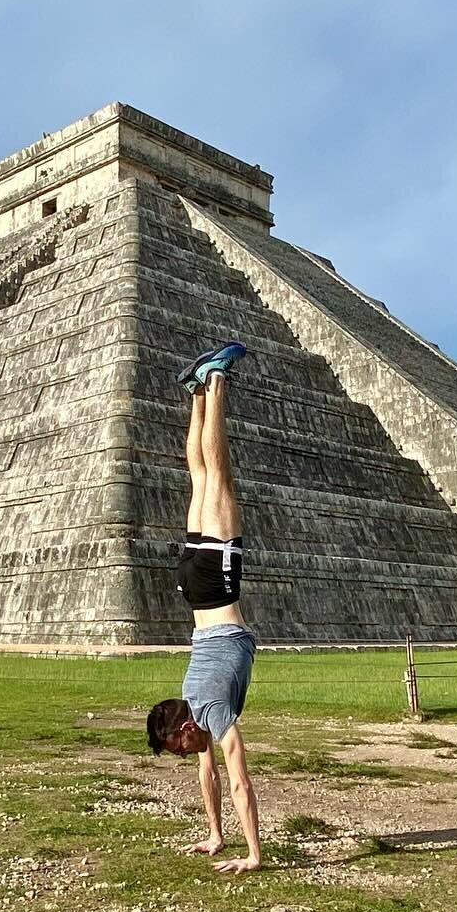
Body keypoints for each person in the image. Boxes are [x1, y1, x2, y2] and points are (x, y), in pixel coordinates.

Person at [145, 341, 262, 875]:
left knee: (218, 475)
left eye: (178, 746)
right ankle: (194, 391)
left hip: (216, 592)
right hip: (193, 591)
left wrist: (254, 855)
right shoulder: (192, 701)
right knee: (200, 479)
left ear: (183, 729)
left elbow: (238, 777)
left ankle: (214, 381)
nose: (186, 754)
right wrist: (217, 836)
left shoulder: (210, 713)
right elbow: (210, 776)